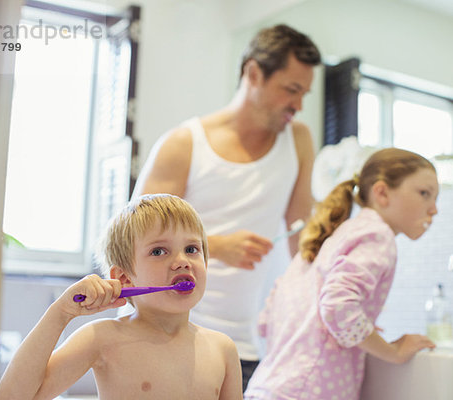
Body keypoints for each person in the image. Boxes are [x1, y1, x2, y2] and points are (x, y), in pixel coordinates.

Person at [132, 24, 321, 390]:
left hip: (244, 345)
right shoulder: (185, 144)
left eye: (304, 94)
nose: (298, 106)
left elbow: (304, 236)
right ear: (253, 73)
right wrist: (215, 247)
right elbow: (134, 237)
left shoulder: (298, 140)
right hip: (167, 336)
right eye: (291, 90)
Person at [0, 194, 243, 400]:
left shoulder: (223, 349)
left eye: (191, 249)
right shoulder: (102, 338)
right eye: (159, 251)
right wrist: (59, 313)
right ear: (124, 278)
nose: (181, 262)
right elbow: (13, 396)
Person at [244, 148, 439, 400]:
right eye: (425, 194)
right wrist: (393, 351)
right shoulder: (377, 235)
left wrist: (358, 330)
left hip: (268, 387)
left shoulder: (331, 239)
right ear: (381, 193)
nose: (434, 209)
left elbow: (267, 319)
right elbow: (338, 307)